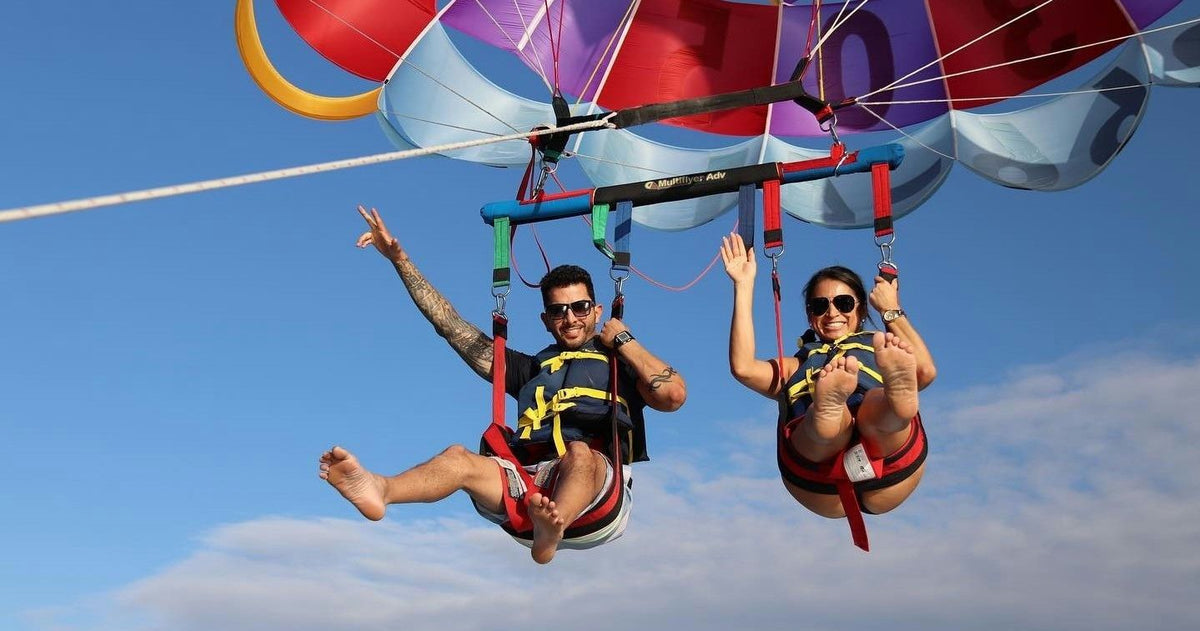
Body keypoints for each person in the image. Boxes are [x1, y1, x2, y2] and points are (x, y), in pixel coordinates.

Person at [319, 205, 686, 564]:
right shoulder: (529, 369)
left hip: (595, 494)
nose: (570, 318)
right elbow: (451, 327)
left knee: (579, 453)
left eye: (580, 307)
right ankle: (382, 489)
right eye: (558, 311)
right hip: (527, 488)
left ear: (598, 310)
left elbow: (673, 395)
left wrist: (623, 341)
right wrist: (400, 260)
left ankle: (553, 528)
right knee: (457, 458)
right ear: (545, 319)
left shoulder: (622, 365)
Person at [719, 232, 936, 548]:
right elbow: (743, 368)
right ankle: (828, 411)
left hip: (884, 466)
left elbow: (924, 372)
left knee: (874, 407)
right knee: (829, 423)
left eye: (843, 303)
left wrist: (890, 308)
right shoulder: (795, 365)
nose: (832, 313)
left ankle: (888, 404)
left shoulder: (882, 346)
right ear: (810, 316)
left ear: (861, 310)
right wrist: (743, 285)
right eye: (820, 306)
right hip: (822, 480)